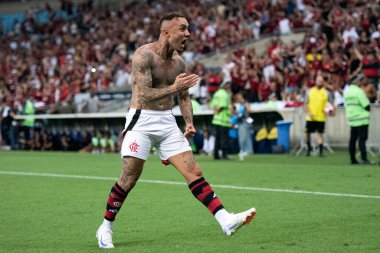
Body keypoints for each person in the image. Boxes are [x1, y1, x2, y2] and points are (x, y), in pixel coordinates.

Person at [96, 13, 256, 249]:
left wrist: (189, 122)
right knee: (129, 178)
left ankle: (226, 220)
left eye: (188, 29)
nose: (188, 34)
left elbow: (183, 96)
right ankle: (106, 228)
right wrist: (174, 87)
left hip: (167, 122)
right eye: (182, 29)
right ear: (166, 32)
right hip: (141, 120)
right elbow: (144, 93)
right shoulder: (143, 55)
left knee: (194, 171)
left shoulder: (180, 62)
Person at [343, 74, 374, 165]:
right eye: (360, 80)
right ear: (356, 82)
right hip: (362, 119)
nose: (361, 82)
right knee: (362, 139)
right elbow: (366, 106)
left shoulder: (347, 91)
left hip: (352, 119)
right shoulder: (359, 91)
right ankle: (364, 159)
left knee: (352, 140)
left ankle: (352, 159)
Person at [304, 75, 335, 157]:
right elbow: (306, 104)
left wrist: (331, 111)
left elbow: (330, 104)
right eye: (319, 81)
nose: (320, 82)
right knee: (307, 133)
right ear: (315, 81)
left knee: (320, 134)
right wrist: (309, 113)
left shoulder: (326, 93)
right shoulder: (309, 92)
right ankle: (308, 148)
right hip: (311, 117)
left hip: (321, 117)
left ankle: (320, 151)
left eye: (321, 81)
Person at [210, 81, 232, 160]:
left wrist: (216, 111)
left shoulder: (216, 93)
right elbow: (222, 106)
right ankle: (224, 155)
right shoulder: (225, 94)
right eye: (227, 84)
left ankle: (216, 155)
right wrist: (219, 110)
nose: (228, 86)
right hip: (223, 120)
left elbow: (212, 105)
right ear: (224, 85)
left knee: (217, 138)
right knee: (224, 139)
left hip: (216, 120)